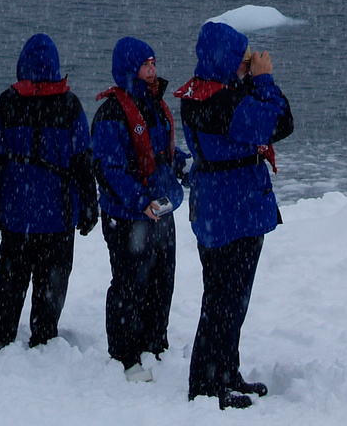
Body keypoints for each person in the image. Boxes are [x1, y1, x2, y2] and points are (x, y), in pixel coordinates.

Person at [177, 22, 294, 410]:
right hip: (233, 208)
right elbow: (279, 122)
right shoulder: (221, 104)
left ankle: (225, 372)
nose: (249, 64)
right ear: (227, 62)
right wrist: (264, 80)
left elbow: (251, 114)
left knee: (227, 299)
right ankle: (207, 385)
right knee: (223, 301)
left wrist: (246, 78)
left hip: (217, 205)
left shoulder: (200, 92)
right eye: (243, 59)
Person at [0, 33, 99, 352]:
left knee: (10, 279)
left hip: (16, 212)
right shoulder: (70, 105)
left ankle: (2, 336)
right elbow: (82, 161)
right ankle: (44, 337)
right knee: (53, 280)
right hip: (57, 215)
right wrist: (89, 205)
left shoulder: (6, 102)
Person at [91, 36, 187, 382]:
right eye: (147, 64)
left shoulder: (155, 104)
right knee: (130, 284)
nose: (153, 70)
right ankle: (124, 356)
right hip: (128, 216)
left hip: (161, 208)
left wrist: (184, 167)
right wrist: (138, 201)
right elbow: (108, 168)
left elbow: (162, 153)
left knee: (162, 281)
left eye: (154, 63)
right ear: (132, 68)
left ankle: (154, 344)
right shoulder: (111, 113)